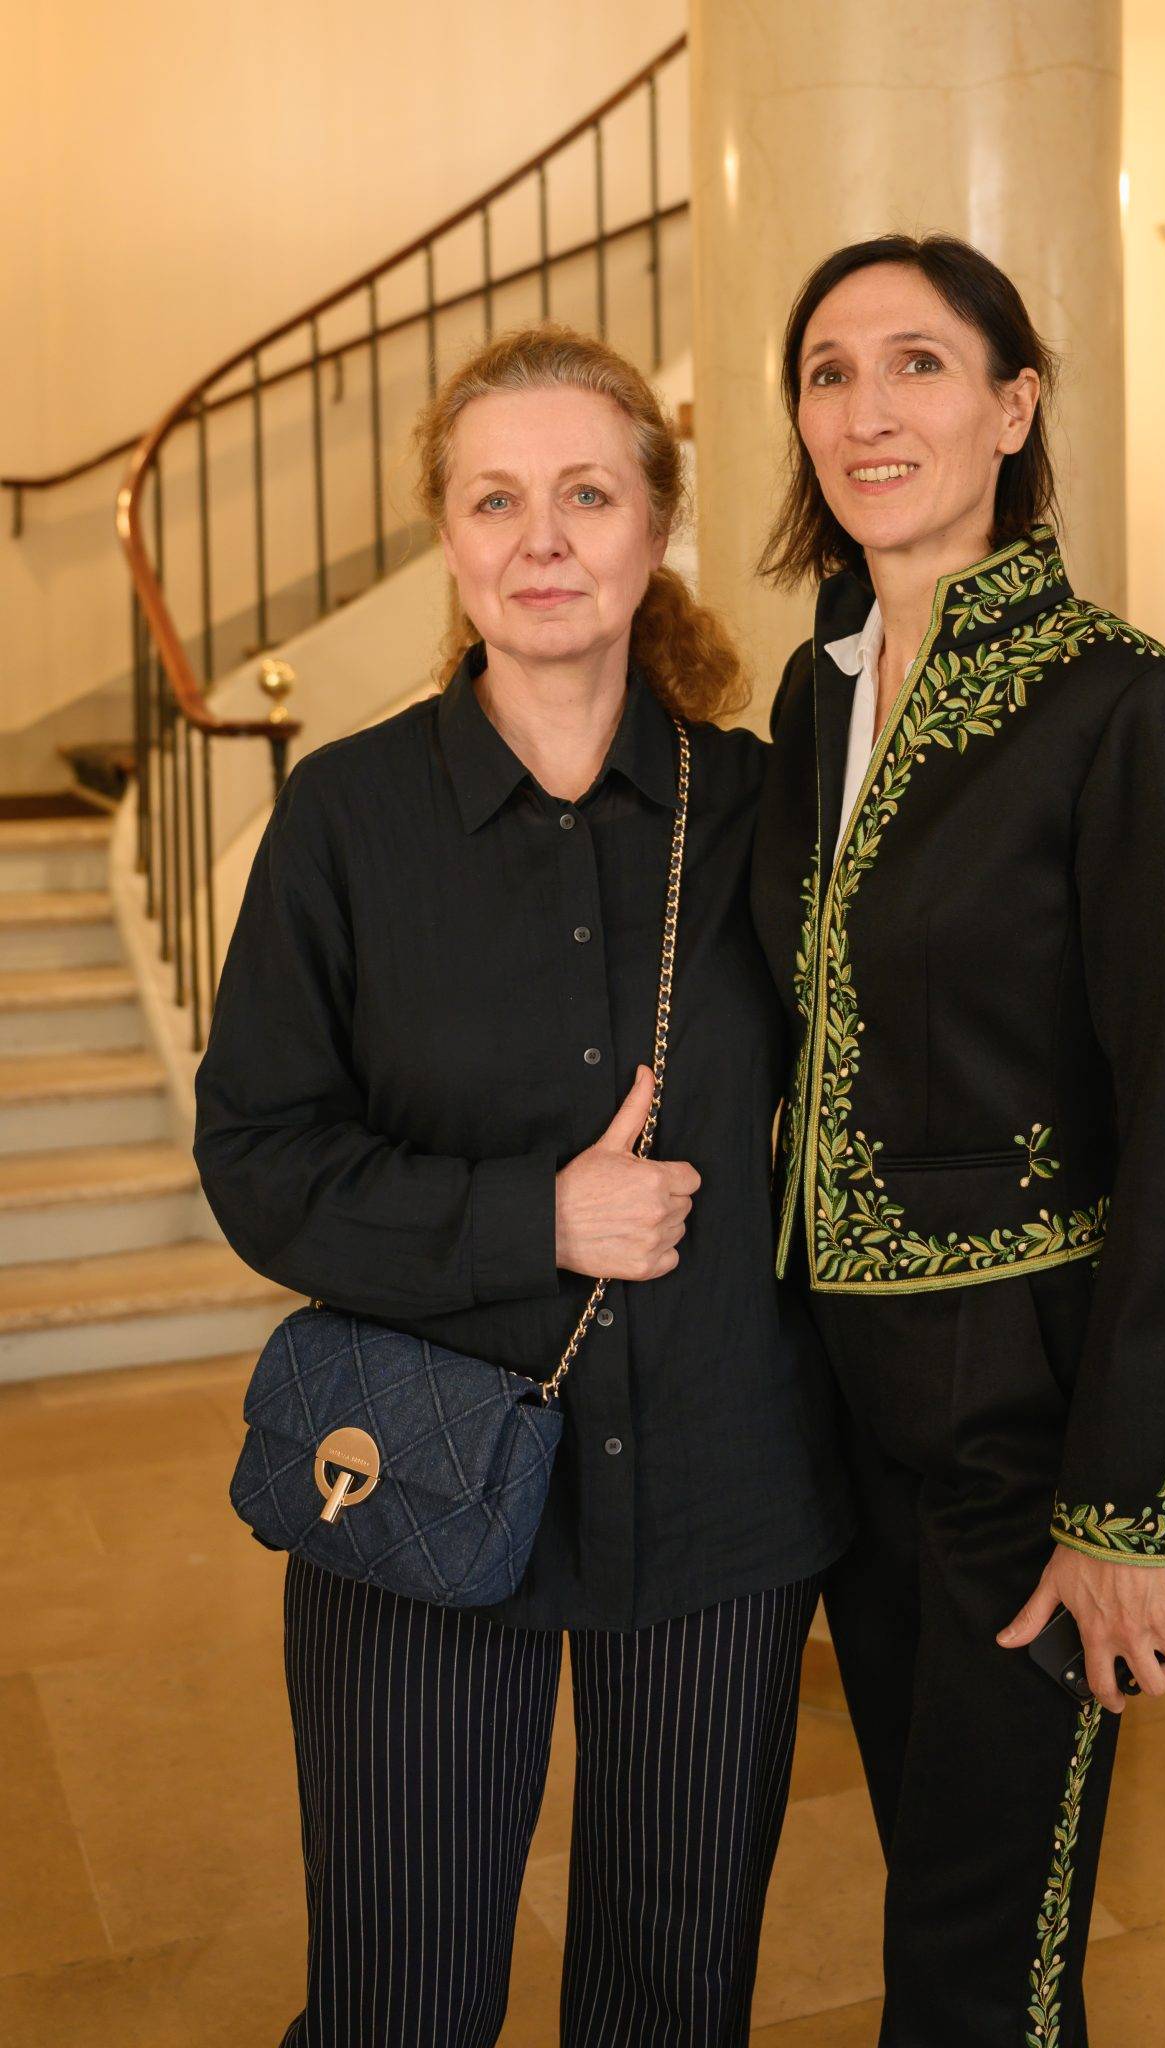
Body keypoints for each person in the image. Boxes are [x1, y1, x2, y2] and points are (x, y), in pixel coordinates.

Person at [193, 323, 852, 2048]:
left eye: (584, 493)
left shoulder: (769, 812)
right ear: (449, 537)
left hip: (718, 1491)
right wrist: (533, 1220)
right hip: (407, 1479)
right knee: (399, 1997)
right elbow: (256, 1159)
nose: (540, 537)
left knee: (673, 1988)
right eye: (495, 498)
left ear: (653, 530)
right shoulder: (339, 821)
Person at [749, 234, 1165, 2047]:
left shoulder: (1120, 702)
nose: (865, 410)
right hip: (839, 1397)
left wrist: (1127, 1503)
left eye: (918, 364)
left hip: (1017, 1408)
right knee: (940, 1876)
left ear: (1011, 405)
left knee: (982, 1951)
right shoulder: (809, 702)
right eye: (826, 372)